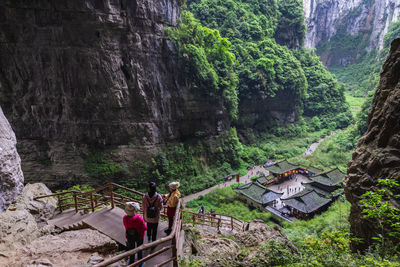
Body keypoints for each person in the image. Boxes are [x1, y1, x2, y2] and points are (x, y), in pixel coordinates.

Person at [123, 202, 147, 266]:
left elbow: (126, 226)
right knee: (139, 249)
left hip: (129, 236)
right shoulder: (139, 219)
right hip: (139, 236)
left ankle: (131, 262)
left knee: (131, 249)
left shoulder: (125, 218)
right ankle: (140, 262)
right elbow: (145, 227)